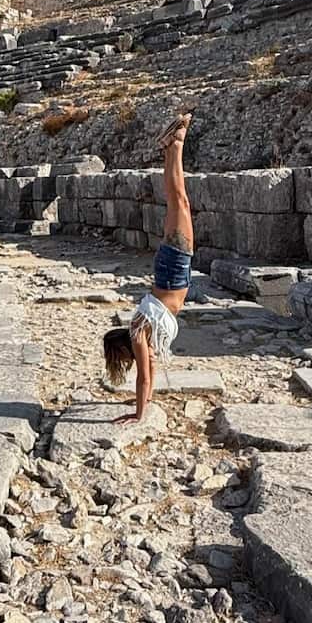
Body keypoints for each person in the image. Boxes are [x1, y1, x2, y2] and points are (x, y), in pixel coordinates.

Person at [103, 111, 194, 424]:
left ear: (124, 351)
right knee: (177, 201)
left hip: (172, 272)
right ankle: (170, 147)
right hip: (172, 273)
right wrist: (146, 402)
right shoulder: (141, 332)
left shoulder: (138, 332)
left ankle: (175, 145)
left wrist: (138, 415)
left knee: (179, 200)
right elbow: (150, 375)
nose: (137, 361)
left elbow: (143, 376)